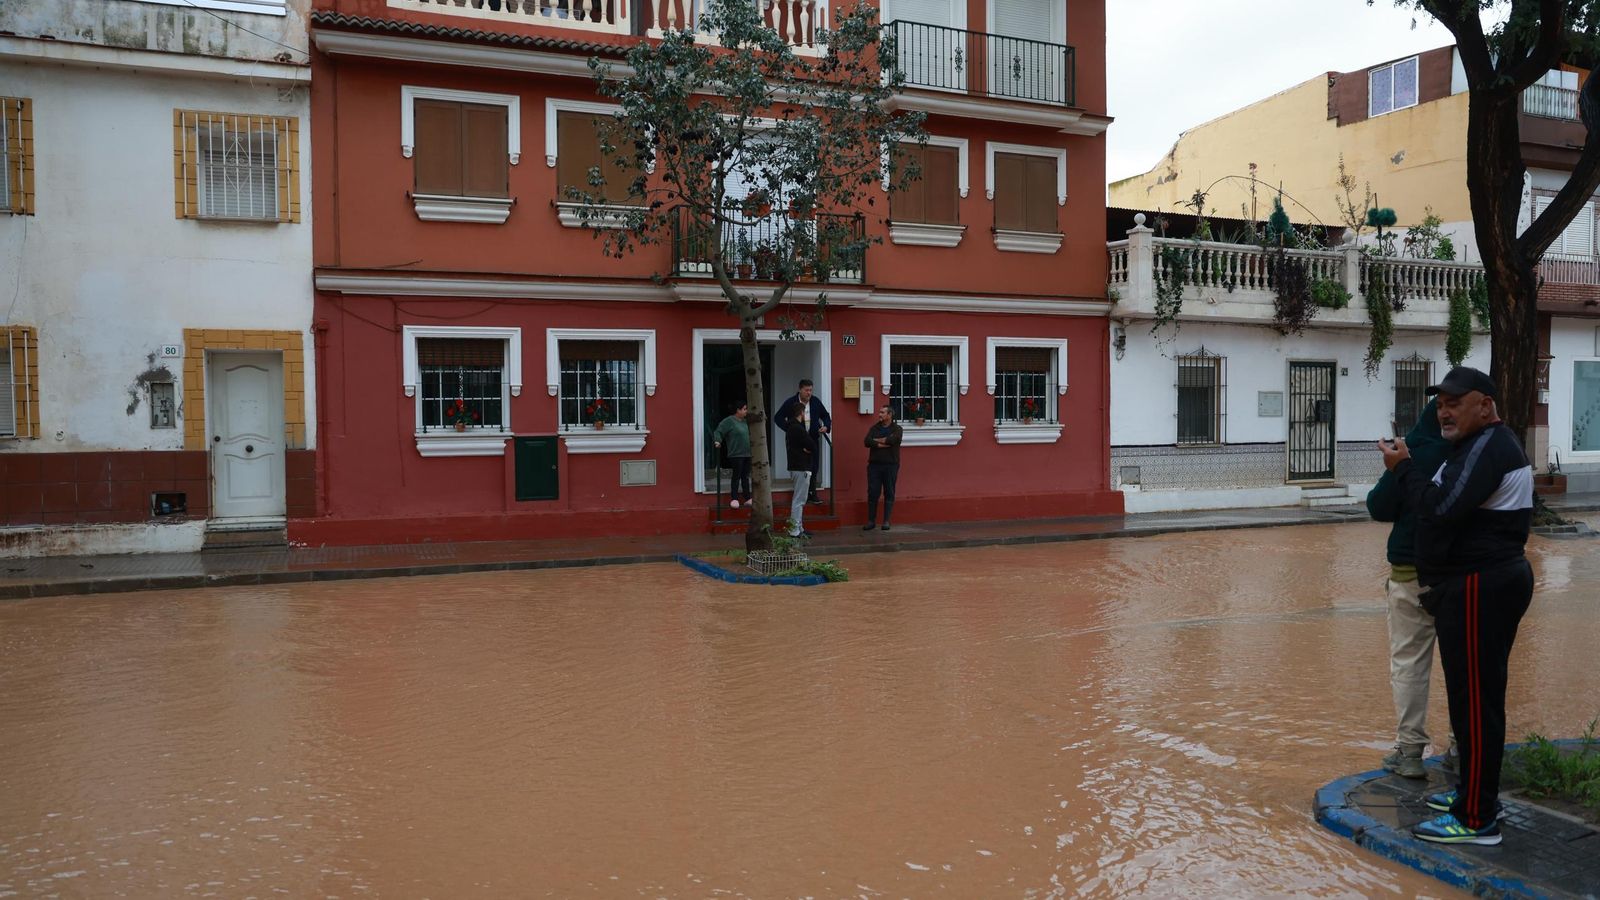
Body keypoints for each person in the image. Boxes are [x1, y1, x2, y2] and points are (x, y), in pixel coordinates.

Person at [1379, 366, 1534, 847]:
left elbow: (1441, 508)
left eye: (1454, 401)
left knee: (1476, 705)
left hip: (1479, 587)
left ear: (1484, 405)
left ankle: (1476, 818)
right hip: (1469, 586)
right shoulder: (1474, 446)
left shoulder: (1490, 446)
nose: (1443, 410)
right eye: (1439, 402)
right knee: (1471, 702)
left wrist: (1403, 468)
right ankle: (1474, 794)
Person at [1366, 399, 1457, 780]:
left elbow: (1378, 506)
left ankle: (1409, 752)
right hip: (1461, 574)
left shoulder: (1413, 452)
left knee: (1409, 664)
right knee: (1464, 664)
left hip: (1409, 572)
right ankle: (1462, 747)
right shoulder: (1477, 453)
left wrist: (1398, 465)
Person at [775, 378, 831, 503]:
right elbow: (778, 417)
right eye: (806, 390)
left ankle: (812, 493)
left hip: (811, 438)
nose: (809, 393)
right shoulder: (791, 402)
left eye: (811, 390)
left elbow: (825, 415)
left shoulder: (815, 401)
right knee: (800, 466)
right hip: (797, 441)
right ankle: (800, 493)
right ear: (800, 390)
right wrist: (789, 429)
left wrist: (826, 426)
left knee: (814, 465)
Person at [863, 404, 902, 531]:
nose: (879, 414)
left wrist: (877, 441)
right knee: (873, 492)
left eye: (882, 412)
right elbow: (867, 441)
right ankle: (871, 521)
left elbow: (893, 440)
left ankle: (886, 521)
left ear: (889, 415)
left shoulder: (897, 429)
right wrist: (880, 444)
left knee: (889, 492)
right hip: (874, 465)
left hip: (891, 465)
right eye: (880, 412)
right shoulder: (875, 428)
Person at [784, 406, 817, 538]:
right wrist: (808, 449)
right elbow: (812, 445)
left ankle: (799, 527)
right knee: (799, 500)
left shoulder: (790, 428)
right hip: (801, 466)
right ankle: (794, 530)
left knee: (799, 499)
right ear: (801, 413)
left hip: (795, 465)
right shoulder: (798, 428)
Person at [712, 402, 752, 508]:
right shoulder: (729, 421)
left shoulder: (745, 422)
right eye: (744, 409)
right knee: (736, 476)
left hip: (747, 453)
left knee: (745, 476)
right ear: (738, 410)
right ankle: (734, 498)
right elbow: (718, 431)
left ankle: (747, 497)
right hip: (736, 454)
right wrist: (717, 441)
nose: (746, 411)